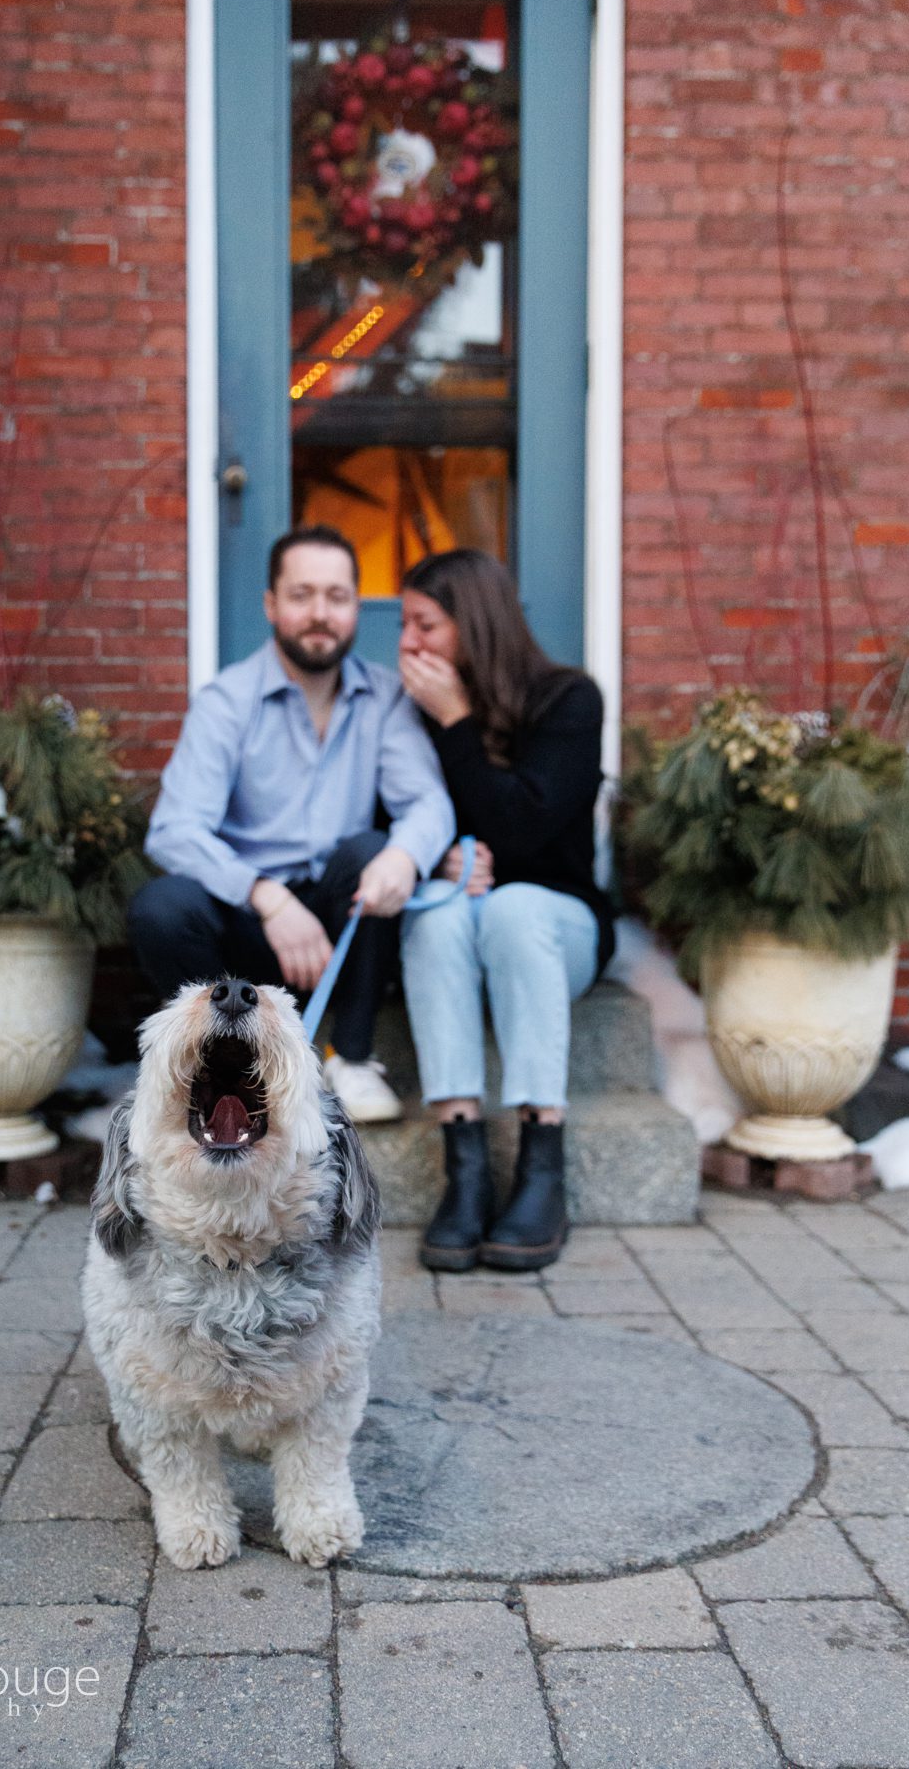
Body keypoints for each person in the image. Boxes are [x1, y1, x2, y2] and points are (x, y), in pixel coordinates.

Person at [130, 524, 455, 1123]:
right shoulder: (227, 701)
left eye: (336, 596)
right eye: (302, 595)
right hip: (248, 925)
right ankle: (224, 1068)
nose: (320, 614)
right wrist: (268, 898)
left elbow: (428, 805)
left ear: (356, 605)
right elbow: (174, 829)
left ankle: (351, 1057)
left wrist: (405, 856)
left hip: (342, 926)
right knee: (162, 907)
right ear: (271, 605)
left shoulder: (385, 698)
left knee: (375, 850)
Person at [397, 548, 616, 1272]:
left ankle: (540, 1163)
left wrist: (458, 721)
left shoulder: (569, 701)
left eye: (425, 625)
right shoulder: (410, 715)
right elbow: (395, 817)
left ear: (473, 624)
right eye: (404, 625)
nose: (408, 644)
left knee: (517, 906)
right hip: (463, 929)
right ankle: (465, 1170)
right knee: (435, 912)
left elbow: (523, 827)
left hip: (559, 929)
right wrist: (439, 859)